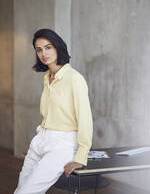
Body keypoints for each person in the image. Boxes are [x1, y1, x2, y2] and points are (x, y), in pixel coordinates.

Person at [14, 28, 93, 194]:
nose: (44, 53)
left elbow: (85, 119)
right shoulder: (47, 77)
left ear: (58, 47)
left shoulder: (74, 79)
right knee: (20, 190)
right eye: (39, 49)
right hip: (41, 139)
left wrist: (81, 156)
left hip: (62, 144)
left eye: (48, 47)